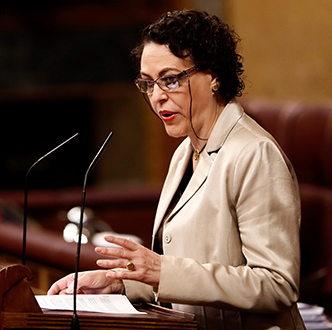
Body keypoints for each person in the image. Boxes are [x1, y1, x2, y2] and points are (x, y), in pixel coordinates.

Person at [48, 9, 305, 330]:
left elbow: (276, 285)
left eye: (170, 80)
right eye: (148, 84)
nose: (157, 97)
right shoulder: (185, 151)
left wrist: (161, 272)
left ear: (214, 75)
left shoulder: (254, 153)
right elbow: (186, 272)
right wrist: (121, 283)